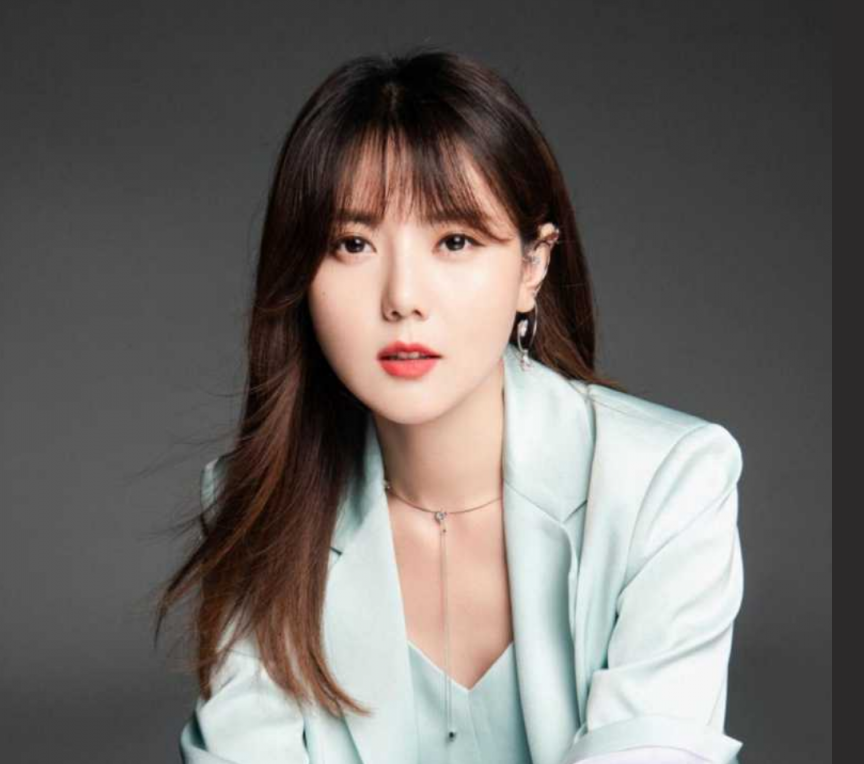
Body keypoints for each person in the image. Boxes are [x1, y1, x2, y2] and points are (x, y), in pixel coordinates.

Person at [155, 47, 745, 764]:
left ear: (532, 264)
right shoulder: (259, 503)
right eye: (352, 244)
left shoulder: (665, 483)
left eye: (454, 241)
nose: (402, 297)